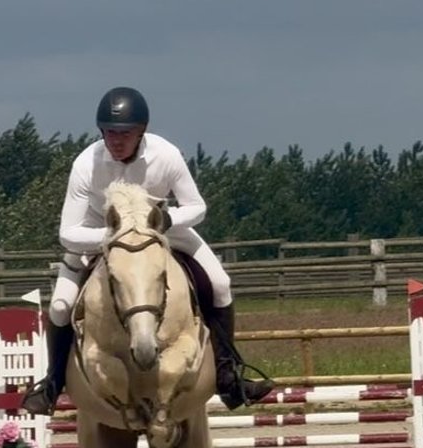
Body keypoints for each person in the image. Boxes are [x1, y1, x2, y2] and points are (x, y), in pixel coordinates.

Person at [21, 86, 273, 416]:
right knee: (60, 304)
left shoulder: (166, 155)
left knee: (221, 283)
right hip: (102, 234)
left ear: (142, 130)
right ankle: (52, 384)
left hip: (162, 230)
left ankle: (228, 376)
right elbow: (68, 233)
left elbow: (197, 207)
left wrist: (165, 220)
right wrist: (113, 237)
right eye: (110, 132)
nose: (116, 140)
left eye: (124, 133)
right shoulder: (86, 164)